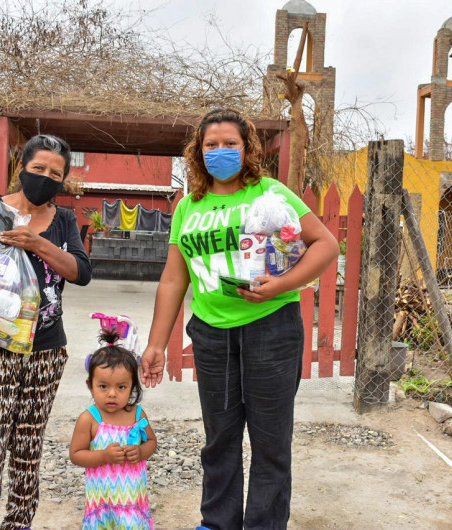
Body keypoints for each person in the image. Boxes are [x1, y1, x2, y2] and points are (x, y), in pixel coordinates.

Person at [139, 108, 339, 529]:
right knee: (220, 438)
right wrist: (156, 343)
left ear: (246, 149)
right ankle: (218, 522)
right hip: (212, 334)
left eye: (230, 143)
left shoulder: (271, 193)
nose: (221, 151)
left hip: (271, 328)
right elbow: (174, 279)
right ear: (198, 152)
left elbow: (324, 245)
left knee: (269, 440)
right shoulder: (187, 207)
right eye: (211, 145)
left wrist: (283, 284)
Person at [0, 134, 92, 530]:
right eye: (39, 169)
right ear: (22, 168)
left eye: (56, 173)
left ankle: (19, 523)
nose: (46, 177)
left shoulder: (64, 219)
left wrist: (37, 243)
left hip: (46, 349)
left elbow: (80, 272)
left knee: (28, 446)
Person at [70, 328, 157, 529]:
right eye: (103, 386)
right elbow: (76, 454)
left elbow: (151, 441)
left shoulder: (137, 415)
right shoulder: (90, 419)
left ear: (132, 386)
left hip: (133, 501)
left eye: (121, 387)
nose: (112, 394)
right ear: (90, 385)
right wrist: (104, 456)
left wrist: (142, 451)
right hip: (101, 503)